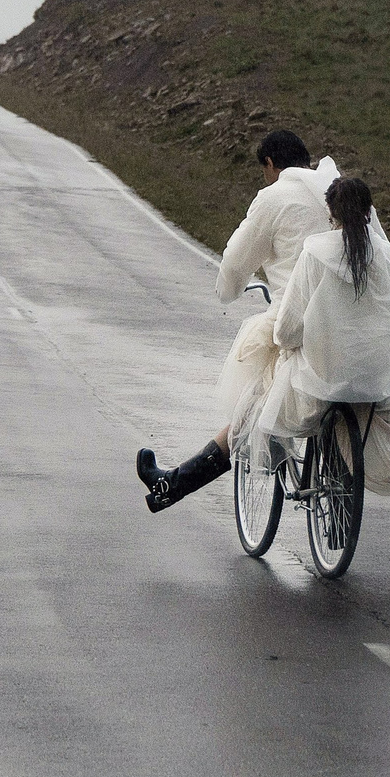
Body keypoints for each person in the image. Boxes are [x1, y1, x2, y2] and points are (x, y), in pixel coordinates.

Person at [139, 169, 390, 526]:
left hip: (319, 381)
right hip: (376, 380)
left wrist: (293, 343)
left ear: (330, 215)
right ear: (370, 213)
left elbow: (290, 328)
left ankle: (176, 484)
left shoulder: (311, 248)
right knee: (388, 421)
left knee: (255, 407)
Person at [137, 130, 326, 510]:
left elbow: (236, 262)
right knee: (379, 402)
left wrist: (231, 287)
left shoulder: (274, 196)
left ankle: (173, 486)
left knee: (253, 407)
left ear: (270, 165)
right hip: (350, 327)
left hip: (299, 327)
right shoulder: (338, 191)